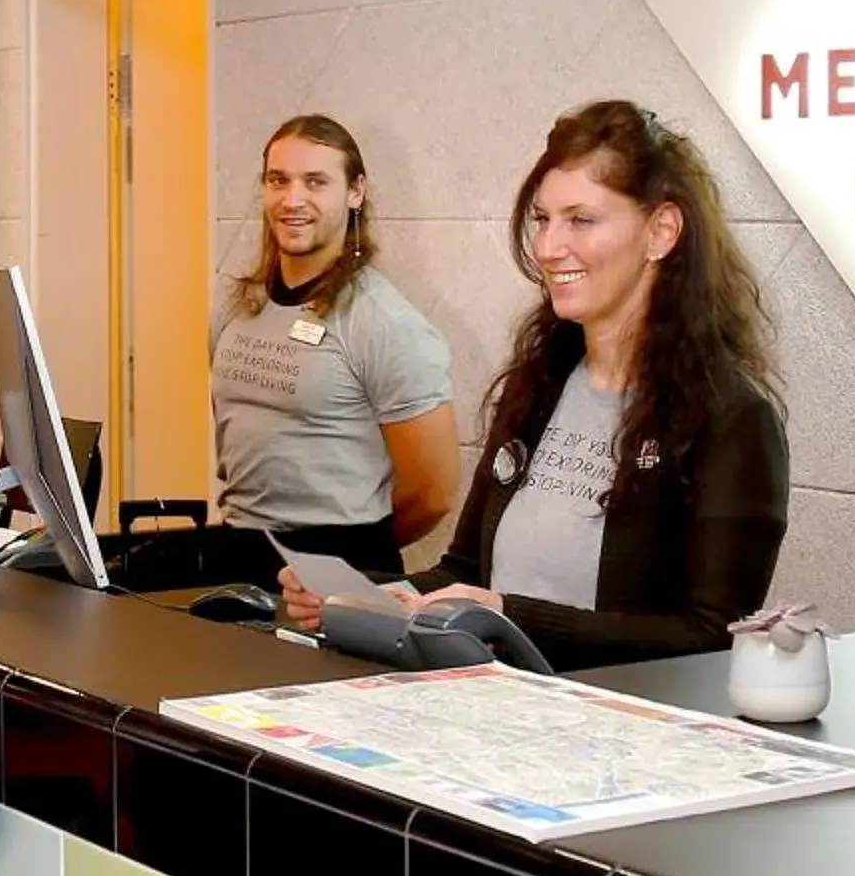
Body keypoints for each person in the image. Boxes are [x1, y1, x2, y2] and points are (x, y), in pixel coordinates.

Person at [284, 101, 787, 669]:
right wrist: (371, 596)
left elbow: (710, 637)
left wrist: (508, 616)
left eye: (581, 220)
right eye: (543, 219)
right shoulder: (538, 388)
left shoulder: (732, 421)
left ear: (661, 232)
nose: (549, 248)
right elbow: (466, 574)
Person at [161, 114, 457, 590]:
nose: (292, 199)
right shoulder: (236, 309)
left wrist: (348, 554)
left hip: (343, 568)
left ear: (355, 192)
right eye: (279, 180)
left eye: (316, 182)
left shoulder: (386, 323)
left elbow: (433, 491)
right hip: (239, 554)